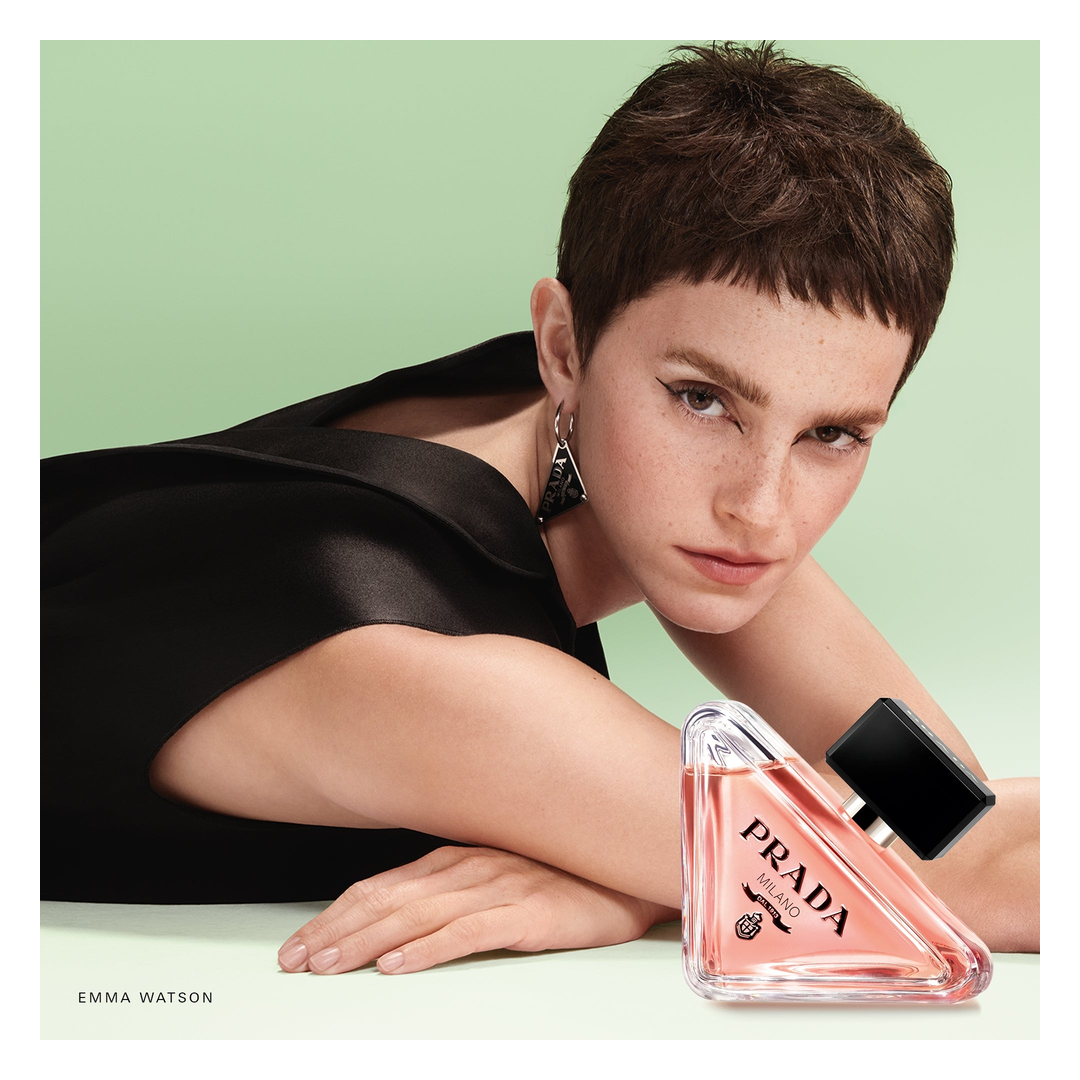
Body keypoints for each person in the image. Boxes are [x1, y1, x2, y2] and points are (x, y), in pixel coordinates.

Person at [40, 42, 1039, 975]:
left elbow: (941, 808)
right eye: (704, 400)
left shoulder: (603, 447)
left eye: (834, 434)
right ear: (563, 345)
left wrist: (629, 866)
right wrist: (660, 868)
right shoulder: (418, 662)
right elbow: (958, 876)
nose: (762, 509)